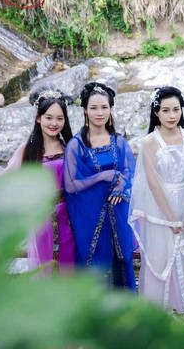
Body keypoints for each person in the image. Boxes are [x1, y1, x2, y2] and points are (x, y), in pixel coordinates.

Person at [0, 89, 75, 274]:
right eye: (48, 118)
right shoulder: (28, 149)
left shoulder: (70, 146)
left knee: (70, 266)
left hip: (70, 216)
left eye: (59, 118)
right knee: (48, 267)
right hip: (43, 218)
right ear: (38, 118)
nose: (54, 123)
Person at [129, 87, 184, 313]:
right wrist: (170, 218)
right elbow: (153, 183)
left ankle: (182, 308)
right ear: (156, 112)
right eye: (165, 110)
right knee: (159, 258)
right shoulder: (149, 142)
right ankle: (157, 313)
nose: (171, 115)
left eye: (176, 109)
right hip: (159, 209)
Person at [63, 82, 136, 289]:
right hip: (91, 217)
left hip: (118, 213)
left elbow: (129, 171)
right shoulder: (77, 145)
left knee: (122, 259)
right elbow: (71, 185)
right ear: (85, 110)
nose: (99, 112)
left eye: (104, 107)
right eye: (94, 107)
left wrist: (121, 187)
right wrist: (103, 176)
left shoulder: (118, 141)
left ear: (111, 109)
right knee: (98, 264)